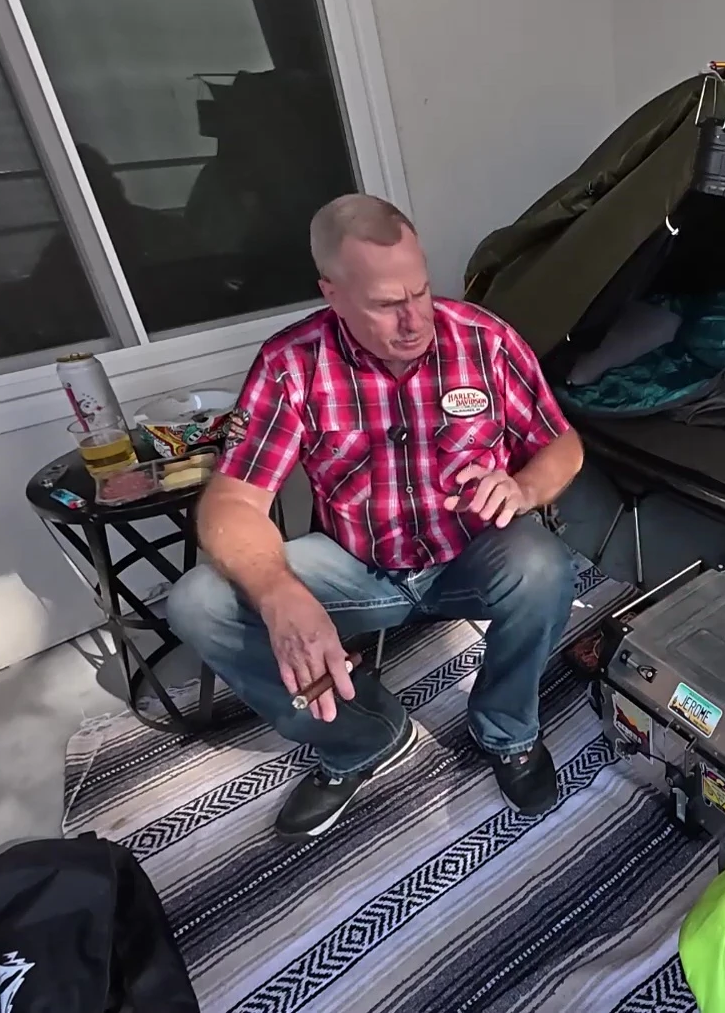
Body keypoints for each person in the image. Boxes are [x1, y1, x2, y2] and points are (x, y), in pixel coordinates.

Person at [167, 193, 585, 838]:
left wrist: (524, 487)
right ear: (332, 294)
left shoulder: (484, 339)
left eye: (420, 292)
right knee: (198, 602)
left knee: (544, 565)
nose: (414, 320)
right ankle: (362, 737)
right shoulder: (292, 363)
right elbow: (232, 500)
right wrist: (280, 594)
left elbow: (562, 444)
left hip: (469, 555)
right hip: (356, 567)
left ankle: (507, 732)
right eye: (387, 304)